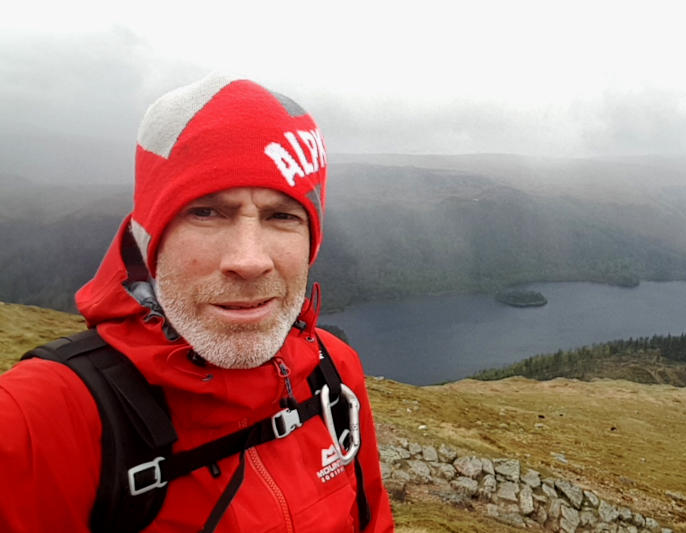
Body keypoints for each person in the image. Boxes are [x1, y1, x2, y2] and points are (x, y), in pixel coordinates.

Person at [0, 74, 394, 532]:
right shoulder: (38, 421)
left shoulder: (333, 371)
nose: (249, 261)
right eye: (206, 211)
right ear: (152, 237)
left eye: (282, 215)